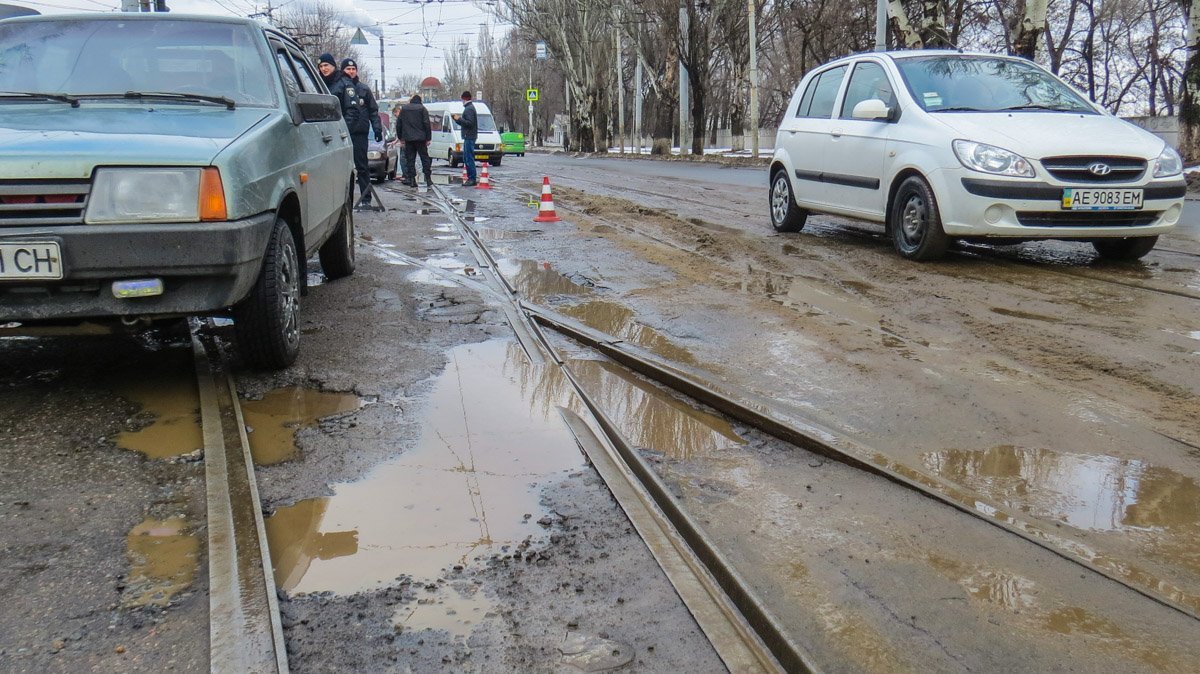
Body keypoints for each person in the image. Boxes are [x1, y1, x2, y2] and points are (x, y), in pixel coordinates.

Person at [338, 58, 382, 206]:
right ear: (343, 71)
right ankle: (342, 200)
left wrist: (377, 129)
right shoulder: (339, 87)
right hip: (343, 134)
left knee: (362, 167)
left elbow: (373, 111)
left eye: (353, 69)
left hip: (360, 134)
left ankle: (366, 199)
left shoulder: (364, 89)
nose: (351, 72)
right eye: (348, 69)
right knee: (341, 168)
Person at [397, 94, 433, 187]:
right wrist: (428, 138)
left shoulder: (404, 109)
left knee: (410, 159)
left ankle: (412, 180)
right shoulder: (422, 109)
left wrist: (400, 138)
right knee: (424, 158)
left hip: (408, 139)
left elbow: (399, 124)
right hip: (421, 139)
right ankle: (428, 179)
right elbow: (427, 124)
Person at [452, 90, 478, 187]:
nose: (461, 101)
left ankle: (471, 178)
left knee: (468, 158)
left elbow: (469, 123)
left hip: (469, 136)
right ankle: (471, 177)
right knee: (466, 157)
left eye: (462, 99)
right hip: (469, 136)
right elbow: (467, 123)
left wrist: (459, 119)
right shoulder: (470, 108)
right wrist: (457, 120)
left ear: (464, 98)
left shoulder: (469, 109)